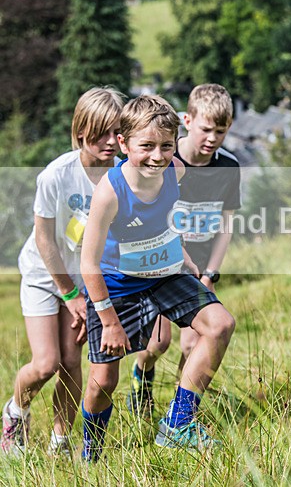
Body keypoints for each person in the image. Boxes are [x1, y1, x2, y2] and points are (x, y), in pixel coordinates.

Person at [79, 94, 235, 460]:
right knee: (104, 382)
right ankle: (90, 453)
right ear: (123, 143)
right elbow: (89, 264)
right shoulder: (109, 192)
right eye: (146, 146)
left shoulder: (175, 171)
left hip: (164, 274)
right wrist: (109, 322)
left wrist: (180, 254)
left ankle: (178, 424)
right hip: (116, 287)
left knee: (220, 324)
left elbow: (168, 214)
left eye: (166, 145)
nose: (157, 155)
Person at [0, 87, 124, 457]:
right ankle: (14, 414)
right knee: (45, 363)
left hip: (85, 281)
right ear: (81, 131)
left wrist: (93, 293)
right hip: (45, 276)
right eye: (100, 133)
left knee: (71, 363)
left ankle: (60, 443)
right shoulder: (56, 175)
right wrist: (70, 295)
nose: (109, 142)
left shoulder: (120, 175)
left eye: (115, 132)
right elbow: (44, 240)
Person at [126, 84, 241, 417]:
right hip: (162, 265)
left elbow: (225, 225)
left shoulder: (229, 167)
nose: (212, 138)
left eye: (220, 131)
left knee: (194, 341)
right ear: (187, 121)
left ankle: (180, 413)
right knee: (156, 344)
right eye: (206, 129)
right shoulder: (164, 158)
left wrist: (211, 274)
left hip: (200, 269)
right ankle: (142, 376)